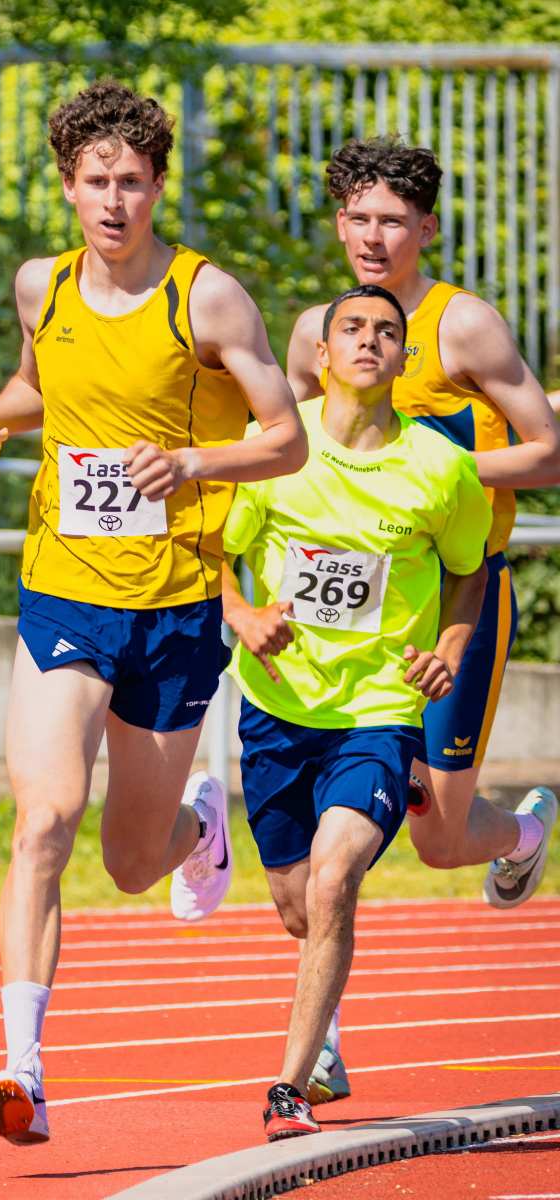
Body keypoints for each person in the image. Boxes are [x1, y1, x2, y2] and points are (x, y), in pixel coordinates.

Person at [0, 80, 307, 1146]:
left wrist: (193, 461)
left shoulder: (207, 299)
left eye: (134, 183)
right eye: (97, 181)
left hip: (174, 605)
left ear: (158, 188)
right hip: (64, 589)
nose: (115, 202)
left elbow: (286, 438)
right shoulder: (42, 286)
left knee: (129, 860)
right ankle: (21, 1070)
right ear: (68, 186)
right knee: (43, 818)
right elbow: (39, 389)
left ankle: (200, 826)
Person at [286, 136, 559, 1105]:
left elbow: (549, 452)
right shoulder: (317, 333)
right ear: (338, 225)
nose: (373, 236)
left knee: (438, 838)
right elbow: (289, 454)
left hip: (454, 599)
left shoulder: (462, 326)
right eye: (358, 218)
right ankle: (319, 1044)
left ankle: (522, 833)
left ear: (426, 228)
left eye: (392, 221)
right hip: (342, 613)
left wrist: (432, 474)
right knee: (319, 844)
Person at [222, 283, 492, 1139]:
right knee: (299, 905)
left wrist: (450, 651)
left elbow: (470, 572)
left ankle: (290, 1087)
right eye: (352, 328)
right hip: (278, 706)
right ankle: (324, 1033)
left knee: (336, 877)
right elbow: (208, 552)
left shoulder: (441, 467)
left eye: (386, 331)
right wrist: (243, 613)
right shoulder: (274, 448)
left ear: (403, 359)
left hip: (380, 709)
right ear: (321, 353)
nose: (369, 340)